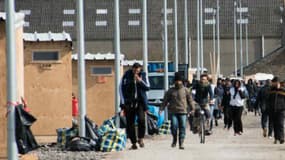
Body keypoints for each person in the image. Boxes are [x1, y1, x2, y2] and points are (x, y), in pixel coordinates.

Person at [160, 72, 195, 149]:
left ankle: (181, 142)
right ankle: (174, 139)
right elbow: (165, 101)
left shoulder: (186, 90)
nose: (178, 82)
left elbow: (190, 100)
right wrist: (161, 109)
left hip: (183, 111)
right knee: (174, 126)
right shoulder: (170, 91)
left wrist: (193, 108)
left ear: (182, 81)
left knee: (182, 126)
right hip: (173, 112)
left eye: (179, 80)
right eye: (176, 81)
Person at [120, 63, 150, 150]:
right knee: (130, 123)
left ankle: (140, 138)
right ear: (132, 69)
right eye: (135, 69)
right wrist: (123, 104)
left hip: (140, 102)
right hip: (129, 103)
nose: (136, 71)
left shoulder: (143, 75)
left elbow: (147, 87)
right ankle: (133, 142)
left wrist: (140, 81)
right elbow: (121, 89)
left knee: (141, 119)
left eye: (138, 70)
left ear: (140, 69)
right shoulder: (126, 76)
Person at [268, 77, 285, 144]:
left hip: (281, 110)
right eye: (274, 83)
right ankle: (276, 138)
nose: (275, 84)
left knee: (280, 124)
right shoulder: (271, 90)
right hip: (272, 110)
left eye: (276, 83)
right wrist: (268, 108)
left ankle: (282, 138)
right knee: (275, 125)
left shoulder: (283, 90)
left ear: (279, 83)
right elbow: (268, 100)